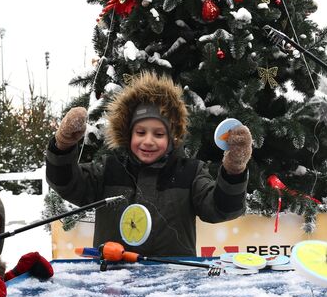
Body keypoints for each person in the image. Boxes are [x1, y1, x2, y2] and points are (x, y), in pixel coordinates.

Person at [45, 72, 250, 256]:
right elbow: (68, 184)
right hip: (114, 286)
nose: (148, 141)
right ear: (128, 134)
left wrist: (234, 170)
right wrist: (62, 146)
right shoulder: (109, 169)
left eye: (159, 134)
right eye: (140, 132)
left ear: (172, 137)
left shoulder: (190, 172)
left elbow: (220, 208)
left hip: (173, 286)